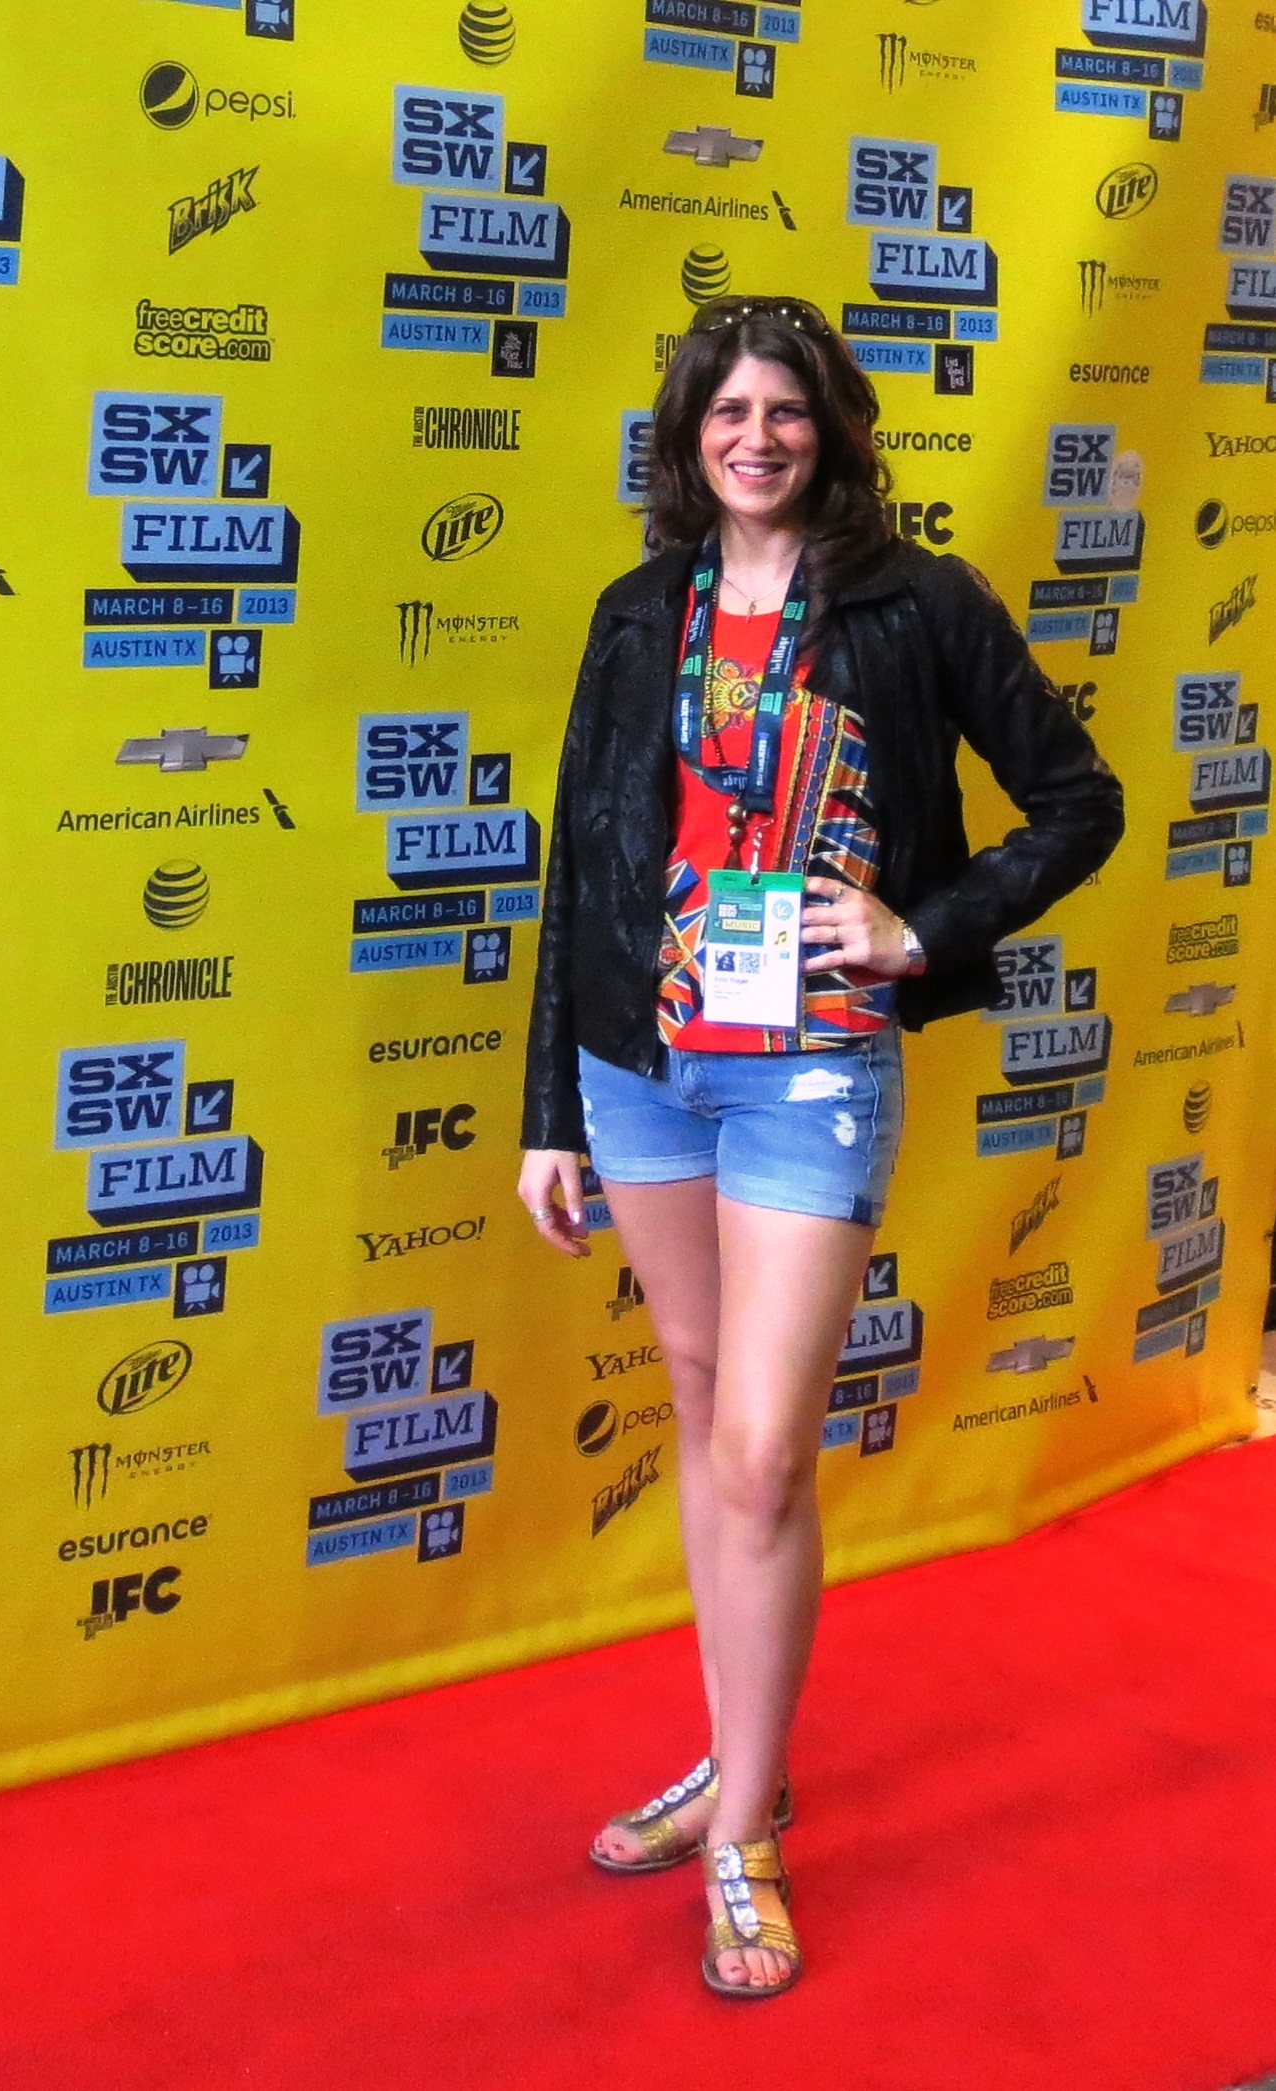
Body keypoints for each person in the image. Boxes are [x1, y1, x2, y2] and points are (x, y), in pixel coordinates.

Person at [517, 295, 1124, 2000]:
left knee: (766, 1449)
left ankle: (742, 1841)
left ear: (834, 432)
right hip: (642, 1068)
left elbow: (1079, 800)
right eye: (728, 413)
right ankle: (740, 1758)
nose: (757, 439)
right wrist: (549, 1111)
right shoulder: (639, 613)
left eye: (786, 412)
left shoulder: (916, 602)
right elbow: (578, 861)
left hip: (810, 1071)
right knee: (704, 1413)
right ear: (688, 436)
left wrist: (920, 930)